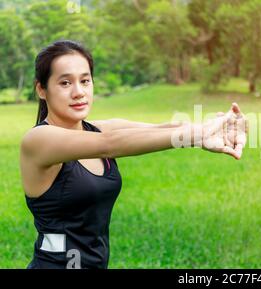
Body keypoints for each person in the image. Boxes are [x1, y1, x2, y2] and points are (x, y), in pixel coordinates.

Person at [20, 40, 247, 269]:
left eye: (85, 80)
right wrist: (196, 133)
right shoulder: (38, 141)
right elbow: (110, 144)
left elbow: (161, 129)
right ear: (41, 89)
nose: (79, 92)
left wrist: (207, 132)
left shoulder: (97, 129)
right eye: (65, 82)